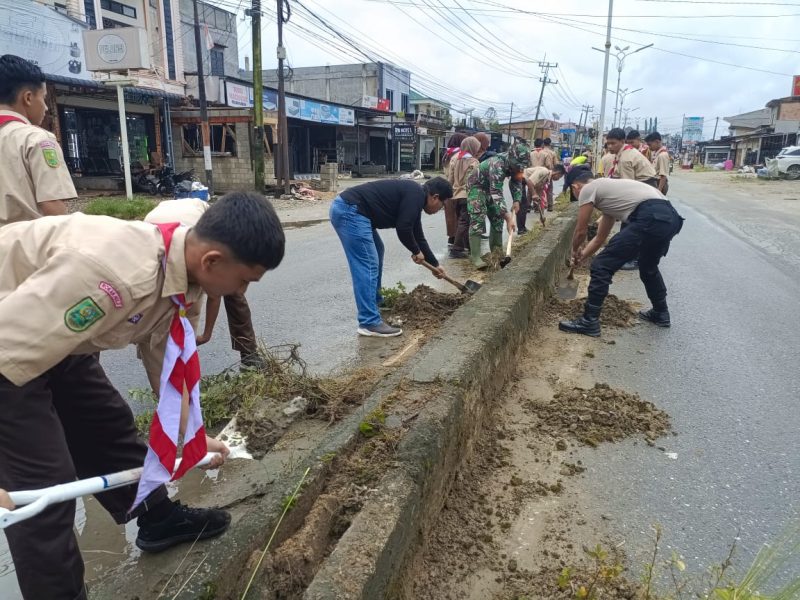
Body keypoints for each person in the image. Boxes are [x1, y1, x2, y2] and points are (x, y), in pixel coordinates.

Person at [0, 193, 286, 599]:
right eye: (244, 281)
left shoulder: (182, 269)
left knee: (108, 426)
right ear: (212, 260)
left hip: (55, 338)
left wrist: (190, 436)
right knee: (44, 489)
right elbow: (7, 346)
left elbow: (166, 362)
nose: (242, 290)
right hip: (8, 339)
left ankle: (158, 519)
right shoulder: (115, 277)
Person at [557, 169, 684, 337]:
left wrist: (574, 251)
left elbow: (581, 231)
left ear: (575, 186)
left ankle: (589, 321)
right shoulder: (610, 197)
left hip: (648, 216)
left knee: (601, 265)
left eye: (574, 193)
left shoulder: (588, 188)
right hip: (670, 219)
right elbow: (599, 238)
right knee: (648, 266)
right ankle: (661, 313)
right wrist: (581, 256)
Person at [144, 199, 263, 369]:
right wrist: (206, 334)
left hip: (153, 227)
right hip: (159, 233)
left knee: (157, 289)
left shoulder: (213, 223)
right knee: (228, 289)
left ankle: (164, 353)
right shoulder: (212, 239)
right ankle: (248, 354)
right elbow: (214, 295)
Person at [330, 177, 451, 337]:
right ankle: (369, 322)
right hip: (350, 211)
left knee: (377, 250)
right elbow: (403, 228)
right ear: (435, 197)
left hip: (353, 211)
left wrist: (435, 264)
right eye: (442, 205)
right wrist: (416, 251)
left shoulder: (416, 197)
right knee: (368, 263)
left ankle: (376, 300)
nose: (439, 209)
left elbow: (418, 235)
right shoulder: (415, 195)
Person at [0, 54, 76, 226]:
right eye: (43, 97)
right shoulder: (36, 139)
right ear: (28, 98)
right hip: (25, 248)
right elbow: (54, 210)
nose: (46, 107)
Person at [466, 142, 531, 268]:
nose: (520, 168)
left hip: (491, 189)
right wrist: (508, 218)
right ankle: (475, 256)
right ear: (511, 158)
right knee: (478, 217)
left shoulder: (517, 166)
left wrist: (517, 200)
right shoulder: (497, 164)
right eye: (518, 165)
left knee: (497, 217)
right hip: (477, 186)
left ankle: (496, 253)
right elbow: (496, 192)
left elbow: (517, 181)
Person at [447, 136, 481, 258]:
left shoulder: (454, 158)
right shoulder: (474, 162)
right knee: (464, 222)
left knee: (462, 221)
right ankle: (456, 249)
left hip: (455, 195)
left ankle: (468, 246)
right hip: (467, 195)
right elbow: (474, 181)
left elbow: (450, 179)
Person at [522, 163, 566, 232]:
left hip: (524, 182)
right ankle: (521, 229)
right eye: (559, 177)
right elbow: (529, 181)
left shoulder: (547, 179)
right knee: (522, 205)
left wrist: (542, 215)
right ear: (557, 173)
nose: (558, 179)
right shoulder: (544, 171)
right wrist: (534, 194)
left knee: (523, 205)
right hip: (520, 179)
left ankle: (522, 228)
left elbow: (539, 195)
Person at [442, 133, 467, 248]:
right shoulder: (460, 155)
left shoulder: (447, 153)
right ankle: (458, 244)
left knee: (451, 218)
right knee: (460, 219)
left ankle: (452, 238)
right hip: (457, 189)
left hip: (448, 189)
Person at [542, 137, 558, 210]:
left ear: (543, 143)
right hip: (549, 173)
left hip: (539, 173)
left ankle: (537, 206)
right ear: (550, 144)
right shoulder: (552, 153)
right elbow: (556, 164)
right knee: (549, 189)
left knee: (539, 189)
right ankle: (550, 206)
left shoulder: (540, 151)